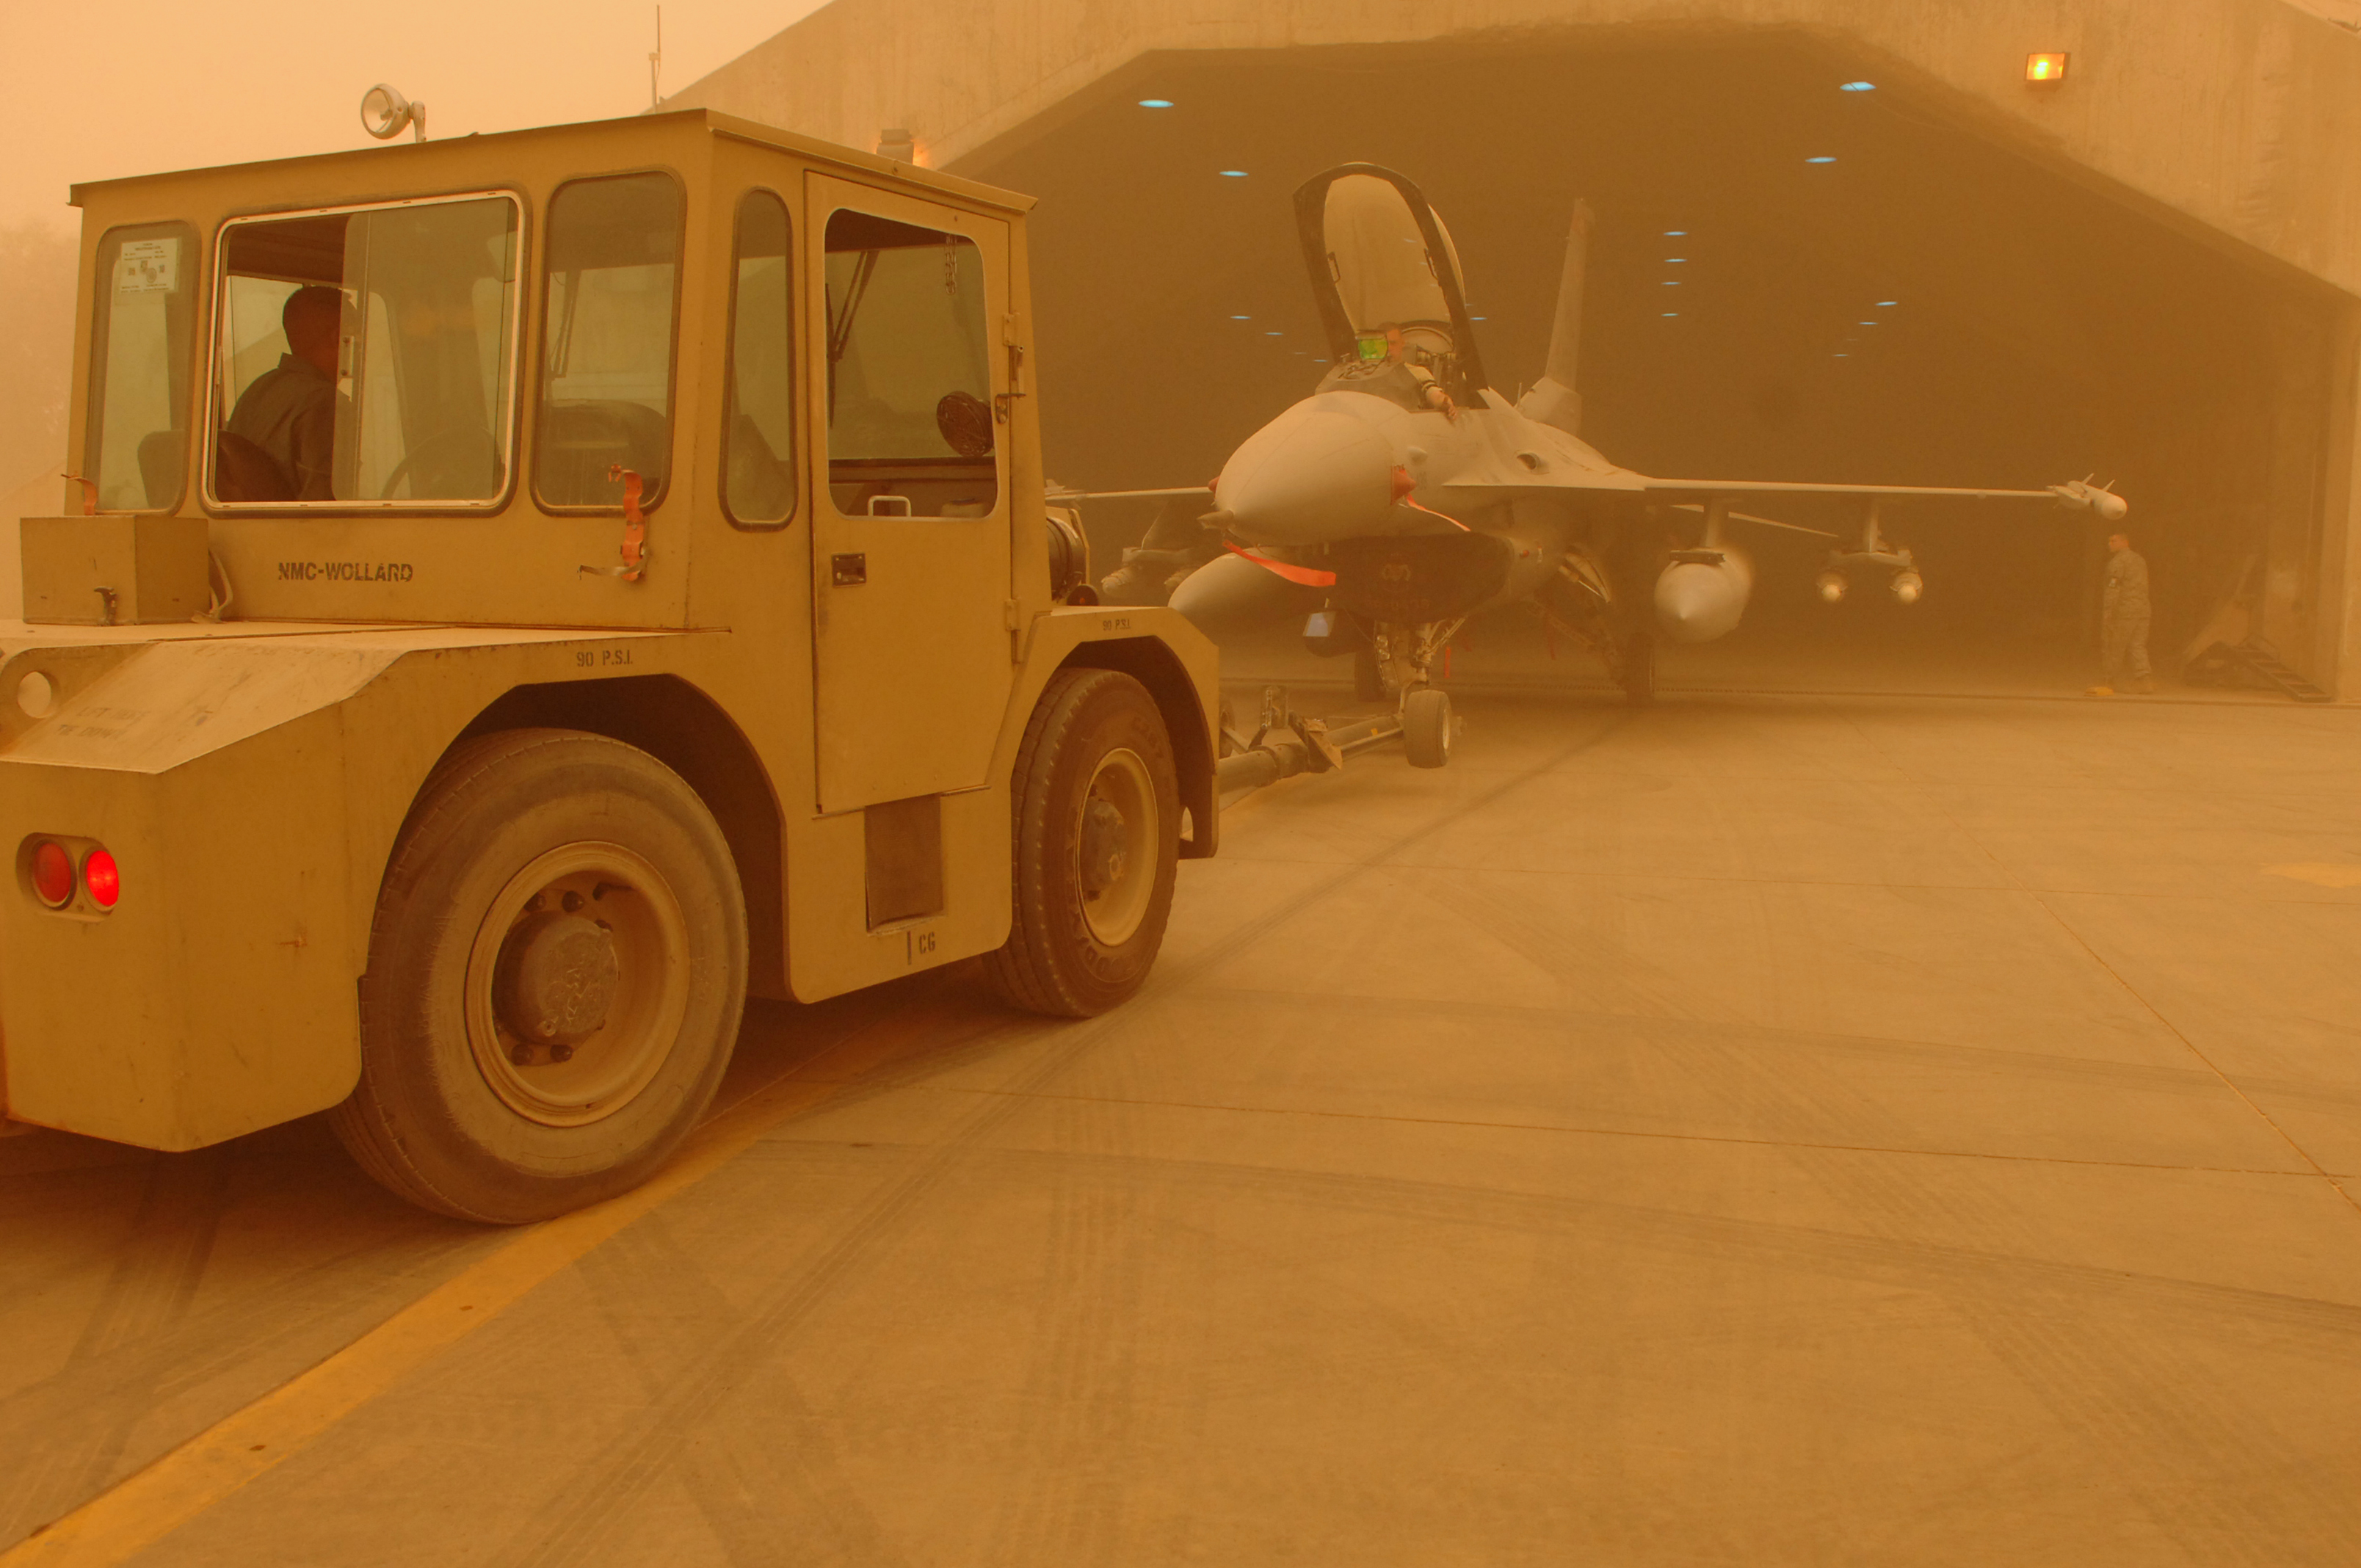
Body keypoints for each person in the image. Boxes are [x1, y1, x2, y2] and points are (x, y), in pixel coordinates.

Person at [225, 285, 339, 500]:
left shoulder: (257, 389)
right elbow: (328, 505)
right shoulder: (325, 401)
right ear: (340, 339)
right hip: (297, 532)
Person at [2089, 529, 2154, 695]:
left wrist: (2108, 610)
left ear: (2125, 542)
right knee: (2137, 644)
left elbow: (2114, 588)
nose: (2110, 544)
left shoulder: (2118, 562)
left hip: (2125, 610)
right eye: (2109, 541)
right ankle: (2144, 680)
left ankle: (2111, 680)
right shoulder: (2140, 560)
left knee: (2115, 644)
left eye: (2114, 541)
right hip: (2143, 609)